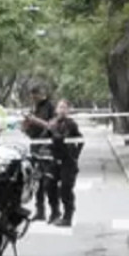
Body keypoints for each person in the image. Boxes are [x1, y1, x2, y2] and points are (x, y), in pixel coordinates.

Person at [26, 99, 83, 227]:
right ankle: (55, 212)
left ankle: (68, 216)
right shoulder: (53, 123)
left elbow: (71, 139)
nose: (62, 110)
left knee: (65, 189)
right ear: (56, 110)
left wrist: (75, 155)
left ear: (68, 110)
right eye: (60, 107)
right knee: (49, 185)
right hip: (54, 160)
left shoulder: (71, 124)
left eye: (64, 108)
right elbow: (42, 139)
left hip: (68, 161)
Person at [22, 85, 58, 221]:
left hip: (47, 148)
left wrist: (34, 120)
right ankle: (40, 211)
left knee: (49, 181)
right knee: (37, 181)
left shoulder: (50, 107)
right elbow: (27, 129)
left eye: (35, 95)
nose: (33, 98)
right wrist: (26, 123)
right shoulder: (34, 108)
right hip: (35, 146)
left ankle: (55, 212)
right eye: (31, 96)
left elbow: (52, 126)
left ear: (41, 94)